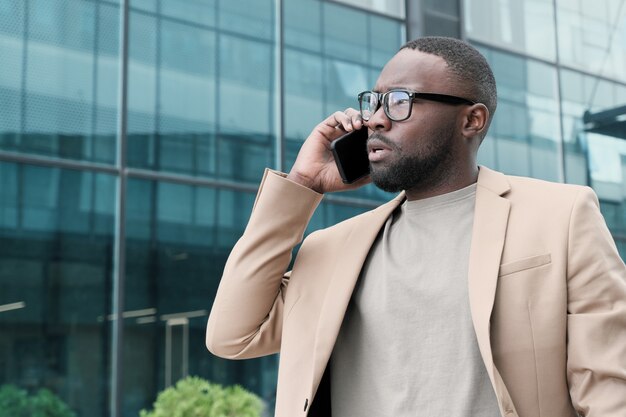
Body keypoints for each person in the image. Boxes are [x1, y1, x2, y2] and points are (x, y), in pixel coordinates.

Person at [205, 37, 626, 417]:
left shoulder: (561, 215)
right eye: (374, 101)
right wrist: (302, 186)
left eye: (400, 101)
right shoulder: (331, 248)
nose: (376, 119)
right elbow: (233, 336)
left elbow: (609, 391)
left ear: (471, 120)